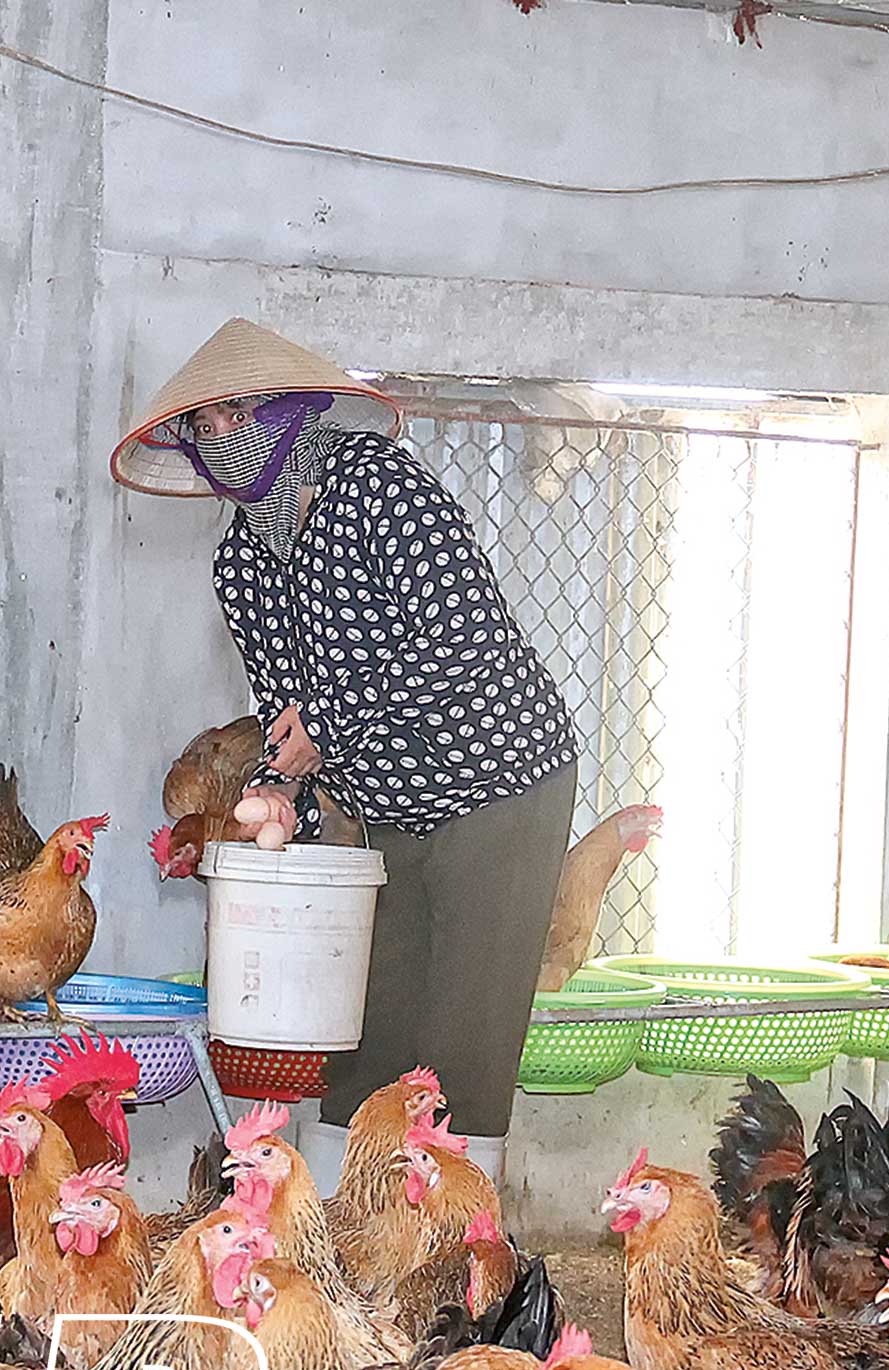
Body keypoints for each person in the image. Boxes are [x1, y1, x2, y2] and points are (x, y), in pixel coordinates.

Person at [111, 318, 580, 1185]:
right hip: (389, 807)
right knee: (365, 1037)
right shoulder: (243, 564)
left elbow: (463, 636)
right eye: (205, 428)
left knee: (463, 1043)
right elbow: (283, 711)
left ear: (294, 412)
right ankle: (340, 1231)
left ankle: (457, 1243)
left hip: (498, 785)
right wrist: (278, 789)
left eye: (241, 414)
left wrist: (326, 728)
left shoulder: (378, 487)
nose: (224, 438)